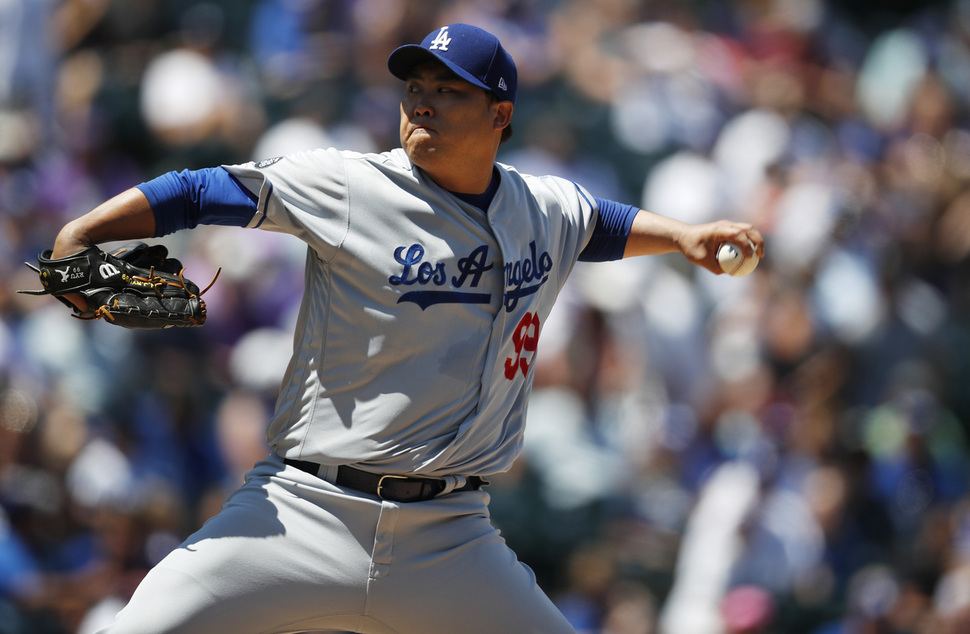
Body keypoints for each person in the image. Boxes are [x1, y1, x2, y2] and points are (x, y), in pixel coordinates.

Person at [52, 23, 764, 634]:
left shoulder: (540, 205)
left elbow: (597, 224)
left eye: (449, 90)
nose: (422, 100)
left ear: (500, 115)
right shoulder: (350, 185)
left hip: (451, 538)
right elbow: (203, 190)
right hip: (305, 509)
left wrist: (683, 236)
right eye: (414, 86)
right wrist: (88, 229)